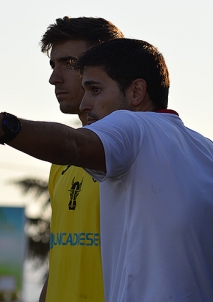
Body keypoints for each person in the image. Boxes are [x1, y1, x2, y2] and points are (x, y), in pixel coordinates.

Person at [0, 38, 213, 302]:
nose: (85, 105)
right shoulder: (208, 149)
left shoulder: (132, 126)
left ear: (136, 92)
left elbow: (72, 144)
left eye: (95, 90)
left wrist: (4, 125)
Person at [38, 17, 123, 301]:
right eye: (53, 65)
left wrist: (4, 127)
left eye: (69, 63)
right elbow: (61, 256)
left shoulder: (136, 153)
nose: (54, 77)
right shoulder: (61, 161)